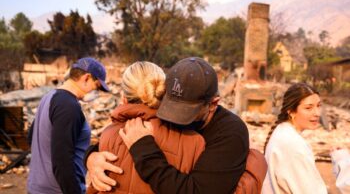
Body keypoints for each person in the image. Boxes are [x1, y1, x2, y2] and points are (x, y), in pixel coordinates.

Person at [86, 57, 249, 193]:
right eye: (170, 105)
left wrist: (143, 149)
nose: (174, 117)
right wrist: (91, 157)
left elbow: (196, 191)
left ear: (213, 104)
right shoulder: (166, 116)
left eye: (186, 111)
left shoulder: (230, 134)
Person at [27, 57, 109, 194]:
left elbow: (31, 137)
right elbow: (62, 161)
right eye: (97, 87)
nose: (95, 92)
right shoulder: (69, 107)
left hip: (36, 187)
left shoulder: (49, 97)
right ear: (86, 78)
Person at [262, 83, 327, 194]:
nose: (316, 113)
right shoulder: (293, 145)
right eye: (308, 108)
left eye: (318, 106)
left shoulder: (283, 132)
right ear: (291, 111)